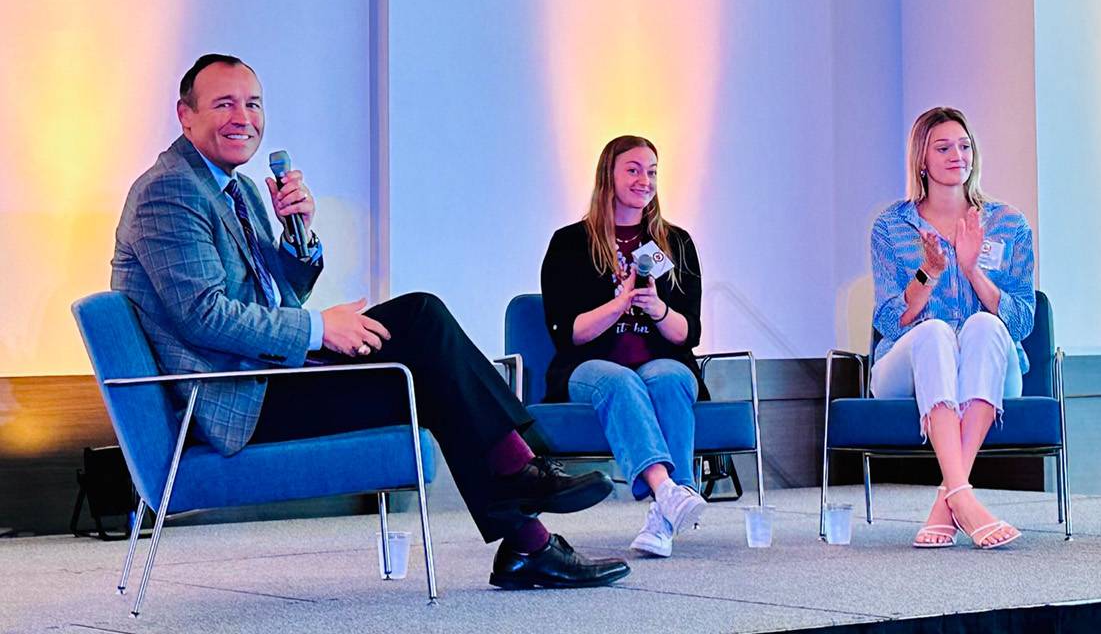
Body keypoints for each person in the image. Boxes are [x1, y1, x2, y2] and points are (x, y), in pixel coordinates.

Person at [111, 53, 630, 589]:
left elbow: (277, 294)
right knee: (424, 346)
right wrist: (319, 329)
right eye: (223, 104)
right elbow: (204, 315)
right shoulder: (169, 192)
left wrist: (298, 234)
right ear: (185, 114)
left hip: (265, 373)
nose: (243, 117)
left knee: (421, 323)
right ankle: (524, 495)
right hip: (231, 399)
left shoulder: (233, 188)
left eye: (253, 103)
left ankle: (526, 517)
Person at [869, 107, 1037, 549]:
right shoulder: (892, 226)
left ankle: (951, 499)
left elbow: (1021, 321)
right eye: (943, 147)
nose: (956, 156)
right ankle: (961, 496)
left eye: (964, 146)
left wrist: (971, 270)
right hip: (905, 367)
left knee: (983, 325)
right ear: (921, 159)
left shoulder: (1008, 223)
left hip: (994, 367)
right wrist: (929, 272)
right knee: (935, 332)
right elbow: (887, 320)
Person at [540, 135, 708, 558]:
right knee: (619, 381)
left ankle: (663, 512)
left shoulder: (677, 242)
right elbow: (569, 333)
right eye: (633, 169)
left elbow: (688, 333)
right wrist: (619, 304)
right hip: (589, 366)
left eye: (651, 171)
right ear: (608, 176)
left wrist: (656, 308)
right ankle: (671, 490)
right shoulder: (570, 243)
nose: (644, 180)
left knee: (669, 377)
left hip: (661, 358)